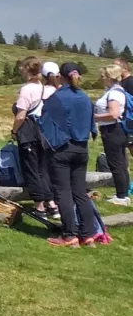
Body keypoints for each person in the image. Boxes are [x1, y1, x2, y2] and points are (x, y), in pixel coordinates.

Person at [39, 62, 99, 247]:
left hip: (62, 148)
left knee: (63, 192)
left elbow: (44, 122)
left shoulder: (57, 98)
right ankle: (88, 235)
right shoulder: (85, 97)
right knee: (80, 192)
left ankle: (69, 235)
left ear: (60, 77)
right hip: (82, 148)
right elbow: (91, 123)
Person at [11, 56, 58, 220]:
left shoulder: (27, 89)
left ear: (26, 69)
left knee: (31, 169)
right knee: (43, 169)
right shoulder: (44, 88)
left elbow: (21, 115)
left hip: (29, 132)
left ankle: (39, 206)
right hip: (43, 132)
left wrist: (14, 131)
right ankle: (51, 203)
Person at [95, 64, 130, 206]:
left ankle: (121, 196)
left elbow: (114, 114)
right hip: (117, 129)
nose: (101, 78)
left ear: (109, 77)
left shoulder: (114, 93)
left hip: (112, 130)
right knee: (121, 163)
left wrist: (95, 117)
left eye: (103, 76)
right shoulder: (116, 91)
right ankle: (123, 193)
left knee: (116, 163)